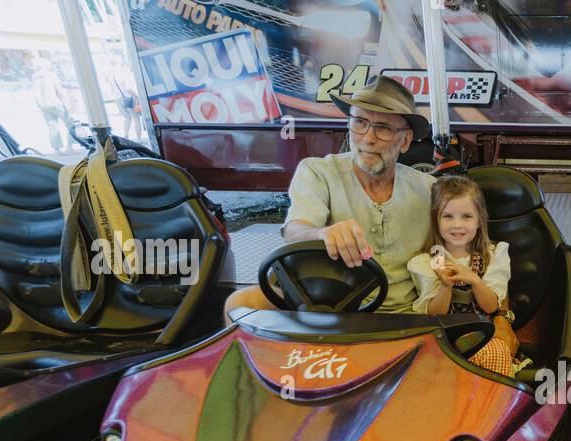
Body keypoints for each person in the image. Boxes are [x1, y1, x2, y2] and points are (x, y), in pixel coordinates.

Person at [222, 76, 434, 321]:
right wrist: (322, 233)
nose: (368, 137)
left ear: (405, 140)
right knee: (240, 302)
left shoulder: (429, 188)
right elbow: (295, 229)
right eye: (360, 122)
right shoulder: (318, 171)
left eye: (383, 128)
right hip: (329, 310)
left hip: (407, 316)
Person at [407, 176, 520, 376]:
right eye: (447, 216)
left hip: (482, 336)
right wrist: (445, 286)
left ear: (479, 220)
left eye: (467, 216)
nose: (457, 225)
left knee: (496, 352)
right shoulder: (429, 260)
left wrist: (475, 280)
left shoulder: (494, 255)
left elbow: (491, 306)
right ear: (435, 220)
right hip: (444, 338)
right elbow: (434, 313)